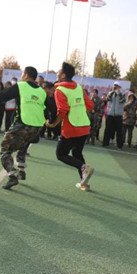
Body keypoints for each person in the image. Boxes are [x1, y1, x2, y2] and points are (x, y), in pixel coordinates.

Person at [0, 66, 47, 190]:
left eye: (22, 74)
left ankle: (12, 175)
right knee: (23, 146)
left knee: (4, 149)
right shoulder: (42, 91)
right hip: (37, 128)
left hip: (22, 124)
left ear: (26, 75)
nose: (21, 76)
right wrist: (50, 121)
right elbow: (48, 108)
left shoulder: (21, 86)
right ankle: (21, 171)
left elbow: (2, 96)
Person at [46, 62, 94, 191]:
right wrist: (79, 114)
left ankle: (84, 168)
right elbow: (90, 105)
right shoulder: (79, 88)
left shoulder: (60, 90)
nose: (57, 73)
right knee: (77, 153)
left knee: (61, 154)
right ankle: (84, 182)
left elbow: (62, 111)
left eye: (59, 72)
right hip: (84, 126)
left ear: (63, 75)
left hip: (71, 127)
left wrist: (53, 124)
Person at [102, 82, 125, 148]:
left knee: (119, 131)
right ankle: (105, 143)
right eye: (114, 86)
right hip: (110, 114)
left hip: (118, 115)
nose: (115, 87)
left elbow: (122, 101)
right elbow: (108, 99)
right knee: (107, 130)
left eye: (117, 86)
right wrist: (112, 92)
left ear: (119, 87)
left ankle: (119, 145)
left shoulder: (122, 94)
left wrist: (118, 93)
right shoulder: (110, 93)